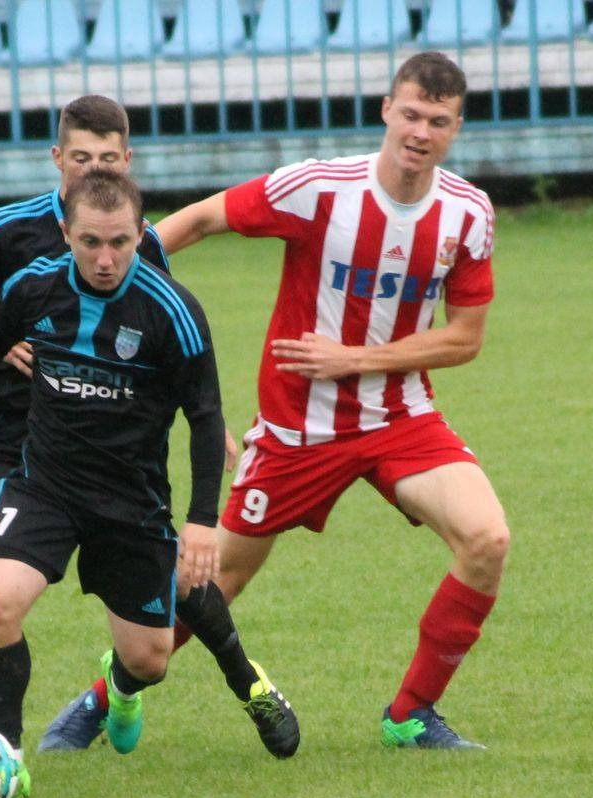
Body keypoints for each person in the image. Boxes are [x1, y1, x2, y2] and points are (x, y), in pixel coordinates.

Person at [57, 51, 510, 750]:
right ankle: (105, 694)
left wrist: (354, 360)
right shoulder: (320, 189)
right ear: (387, 110)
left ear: (456, 128)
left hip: (401, 418)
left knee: (487, 540)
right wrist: (119, 288)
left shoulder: (468, 214)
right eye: (412, 114)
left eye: (439, 121)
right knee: (213, 581)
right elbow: (202, 219)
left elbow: (465, 337)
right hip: (299, 429)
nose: (421, 132)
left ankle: (411, 714)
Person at [0, 96, 296, 759]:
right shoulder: (15, 242)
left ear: (127, 168)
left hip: (119, 457)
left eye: (108, 160)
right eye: (81, 159)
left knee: (160, 629)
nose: (94, 173)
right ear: (59, 163)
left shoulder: (147, 269)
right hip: (12, 439)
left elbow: (184, 370)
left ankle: (230, 676)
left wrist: (208, 432)